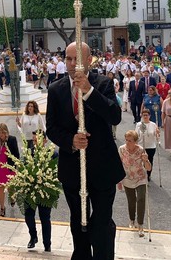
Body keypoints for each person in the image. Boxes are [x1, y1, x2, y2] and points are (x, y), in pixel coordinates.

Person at [46, 41, 124, 260]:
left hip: (102, 168)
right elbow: (51, 128)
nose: (72, 64)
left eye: (77, 59)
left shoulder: (103, 84)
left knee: (101, 223)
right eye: (68, 59)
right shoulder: (56, 89)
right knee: (78, 222)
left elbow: (114, 116)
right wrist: (71, 140)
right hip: (72, 168)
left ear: (89, 61)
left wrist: (88, 91)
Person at [118, 130, 151, 237]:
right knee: (131, 201)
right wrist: (118, 180)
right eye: (126, 140)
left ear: (136, 141)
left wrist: (146, 160)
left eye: (130, 141)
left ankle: (140, 224)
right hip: (127, 178)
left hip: (140, 178)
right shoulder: (122, 149)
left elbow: (148, 168)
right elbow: (118, 164)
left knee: (141, 199)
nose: (128, 143)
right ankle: (132, 219)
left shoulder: (141, 150)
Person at [135, 110, 159, 181]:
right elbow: (136, 135)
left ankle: (148, 175)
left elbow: (156, 135)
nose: (145, 116)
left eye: (146, 115)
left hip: (151, 146)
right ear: (142, 116)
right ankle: (141, 174)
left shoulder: (153, 124)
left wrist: (157, 133)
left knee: (149, 161)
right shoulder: (139, 124)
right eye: (144, 115)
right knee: (140, 161)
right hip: (141, 146)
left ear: (149, 116)